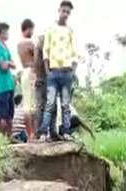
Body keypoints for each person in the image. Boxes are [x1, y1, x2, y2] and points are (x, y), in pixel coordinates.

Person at [39, 0, 81, 140]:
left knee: (65, 105)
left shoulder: (70, 31)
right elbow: (46, 50)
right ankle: (44, 132)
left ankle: (66, 132)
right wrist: (47, 71)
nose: (65, 14)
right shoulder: (50, 29)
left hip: (67, 72)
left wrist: (73, 71)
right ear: (59, 10)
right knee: (50, 104)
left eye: (68, 12)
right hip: (53, 71)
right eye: (64, 11)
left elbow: (75, 52)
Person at [0, 22, 17, 137]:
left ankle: (10, 138)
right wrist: (8, 63)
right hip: (1, 85)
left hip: (10, 84)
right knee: (2, 115)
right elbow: (3, 66)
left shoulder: (5, 47)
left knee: (10, 114)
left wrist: (9, 63)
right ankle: (2, 139)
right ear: (1, 32)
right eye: (7, 32)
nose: (8, 34)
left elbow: (14, 64)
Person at [18, 18, 37, 139]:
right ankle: (33, 133)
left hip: (23, 72)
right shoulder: (31, 43)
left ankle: (30, 134)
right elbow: (37, 60)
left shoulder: (19, 44)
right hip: (32, 72)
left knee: (26, 105)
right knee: (32, 106)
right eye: (32, 29)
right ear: (29, 29)